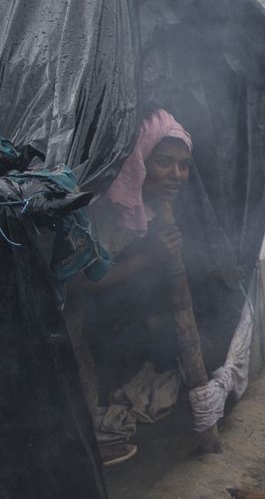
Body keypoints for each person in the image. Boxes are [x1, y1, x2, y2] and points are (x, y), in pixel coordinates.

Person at [66, 109, 195, 467]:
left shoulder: (139, 206)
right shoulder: (107, 206)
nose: (176, 174)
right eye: (165, 162)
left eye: (184, 165)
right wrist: (150, 257)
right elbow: (82, 279)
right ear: (139, 159)